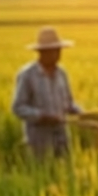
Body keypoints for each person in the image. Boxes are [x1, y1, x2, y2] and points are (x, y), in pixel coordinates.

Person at [12, 26, 83, 157]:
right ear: (42, 52)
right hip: (39, 140)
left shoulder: (62, 73)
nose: (57, 54)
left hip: (62, 138)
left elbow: (68, 103)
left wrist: (82, 113)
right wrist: (42, 116)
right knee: (42, 174)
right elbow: (18, 107)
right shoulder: (27, 75)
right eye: (53, 51)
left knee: (64, 172)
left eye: (58, 50)